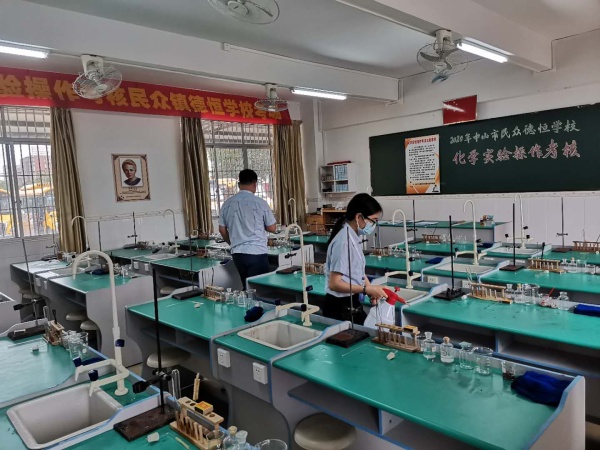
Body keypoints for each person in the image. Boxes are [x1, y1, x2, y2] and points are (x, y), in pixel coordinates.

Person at [324, 193, 388, 325]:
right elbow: (334, 284)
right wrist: (365, 290)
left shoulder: (353, 236)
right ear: (359, 217)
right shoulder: (343, 242)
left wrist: (370, 288)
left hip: (351, 300)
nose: (374, 225)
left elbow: (357, 269)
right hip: (339, 307)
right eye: (373, 220)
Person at [219, 169, 277, 288]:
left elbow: (222, 230)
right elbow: (272, 228)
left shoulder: (227, 203)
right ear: (255, 184)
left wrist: (231, 242)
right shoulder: (260, 203)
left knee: (247, 286)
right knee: (260, 288)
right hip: (257, 252)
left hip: (238, 253)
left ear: (239, 184)